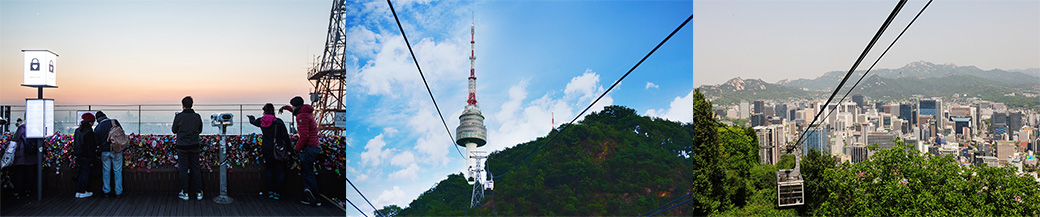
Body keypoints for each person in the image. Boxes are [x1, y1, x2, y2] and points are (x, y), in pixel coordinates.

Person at [280, 96, 321, 207]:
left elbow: (304, 136)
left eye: (292, 106)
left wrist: (296, 149)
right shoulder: (306, 112)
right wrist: (285, 108)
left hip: (309, 148)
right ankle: (311, 194)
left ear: (295, 106)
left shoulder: (301, 116)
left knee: (308, 173)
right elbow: (295, 110)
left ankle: (314, 197)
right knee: (308, 172)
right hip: (314, 146)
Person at [247, 103, 290, 200]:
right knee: (280, 170)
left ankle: (270, 191)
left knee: (269, 169)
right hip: (278, 149)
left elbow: (253, 122)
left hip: (266, 148)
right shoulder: (278, 122)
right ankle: (277, 192)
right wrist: (290, 149)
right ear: (273, 110)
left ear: (264, 111)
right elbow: (285, 137)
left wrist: (251, 118)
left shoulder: (261, 121)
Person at [172, 96, 204, 201]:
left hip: (182, 146)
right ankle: (198, 192)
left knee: (183, 169)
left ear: (183, 105)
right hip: (194, 145)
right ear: (192, 104)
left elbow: (174, 130)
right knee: (196, 168)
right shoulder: (197, 116)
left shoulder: (179, 117)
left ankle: (185, 192)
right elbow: (200, 130)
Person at [94, 111, 124, 198]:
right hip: (117, 150)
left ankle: (106, 191)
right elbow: (121, 134)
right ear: (105, 116)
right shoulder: (114, 122)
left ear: (98, 120)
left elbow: (96, 142)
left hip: (105, 151)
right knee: (117, 171)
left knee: (106, 172)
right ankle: (118, 192)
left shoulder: (98, 128)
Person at [74, 113, 99, 198]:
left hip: (78, 155)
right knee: (85, 173)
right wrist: (93, 159)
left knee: (81, 173)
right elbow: (91, 147)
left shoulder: (77, 131)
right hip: (86, 156)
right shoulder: (89, 132)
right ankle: (83, 191)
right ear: (90, 122)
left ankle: (78, 191)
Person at [10, 118, 36, 200]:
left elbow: (16, 139)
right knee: (30, 174)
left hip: (21, 154)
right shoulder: (34, 128)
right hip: (31, 155)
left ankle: (17, 192)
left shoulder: (22, 128)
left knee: (19, 174)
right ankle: (28, 191)